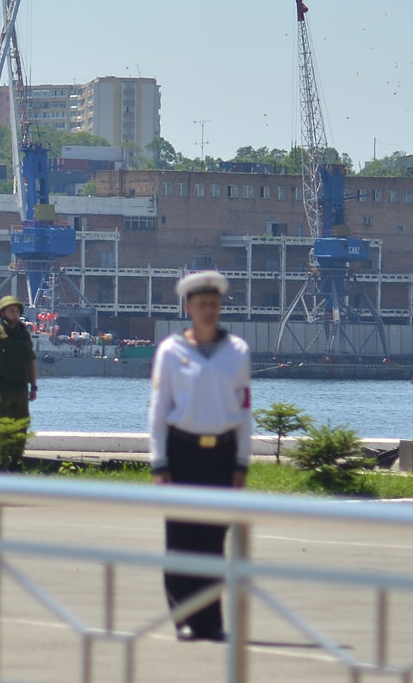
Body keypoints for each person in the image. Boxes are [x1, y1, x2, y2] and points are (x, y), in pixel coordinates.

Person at [147, 270, 251, 642]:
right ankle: (184, 618)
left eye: (214, 304)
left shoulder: (237, 352)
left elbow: (243, 413)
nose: (209, 310)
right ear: (188, 307)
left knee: (212, 542)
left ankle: (210, 620)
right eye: (201, 304)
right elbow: (158, 413)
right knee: (180, 540)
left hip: (220, 457)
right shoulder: (171, 352)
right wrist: (160, 465)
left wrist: (241, 463)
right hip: (182, 453)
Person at [0, 295, 37, 468]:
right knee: (1, 430)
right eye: (11, 310)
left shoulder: (24, 334)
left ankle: (15, 463)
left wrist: (33, 386)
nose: (15, 314)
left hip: (21, 390)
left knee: (20, 430)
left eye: (17, 311)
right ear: (3, 313)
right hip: (3, 389)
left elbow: (30, 361)